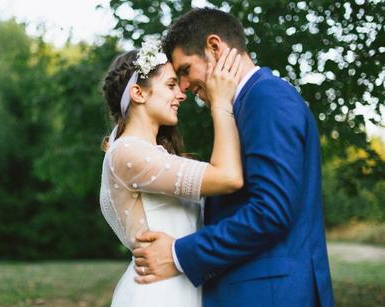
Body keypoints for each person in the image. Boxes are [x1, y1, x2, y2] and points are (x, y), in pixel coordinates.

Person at [133, 8, 335, 307]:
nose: (185, 87)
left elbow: (270, 211)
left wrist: (178, 253)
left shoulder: (266, 98)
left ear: (214, 47)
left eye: (185, 70)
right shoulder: (239, 105)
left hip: (270, 294)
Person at [99, 38, 243, 306]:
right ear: (139, 93)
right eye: (170, 85)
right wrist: (221, 104)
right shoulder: (127, 153)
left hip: (180, 286)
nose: (181, 94)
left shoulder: (152, 153)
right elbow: (227, 177)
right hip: (158, 294)